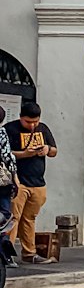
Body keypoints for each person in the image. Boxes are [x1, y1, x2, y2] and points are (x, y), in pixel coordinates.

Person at [3, 101, 58, 265]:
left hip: (38, 182)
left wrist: (47, 149)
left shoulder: (43, 129)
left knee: (30, 218)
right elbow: (5, 153)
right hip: (18, 181)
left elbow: (54, 151)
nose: (32, 125)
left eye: (35, 121)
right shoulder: (10, 129)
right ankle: (6, 253)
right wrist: (23, 154)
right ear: (20, 118)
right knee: (13, 218)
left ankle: (29, 252)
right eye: (28, 122)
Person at [0, 105, 20, 268]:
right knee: (5, 215)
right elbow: (8, 157)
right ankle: (5, 253)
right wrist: (16, 179)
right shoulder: (1, 133)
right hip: (2, 183)